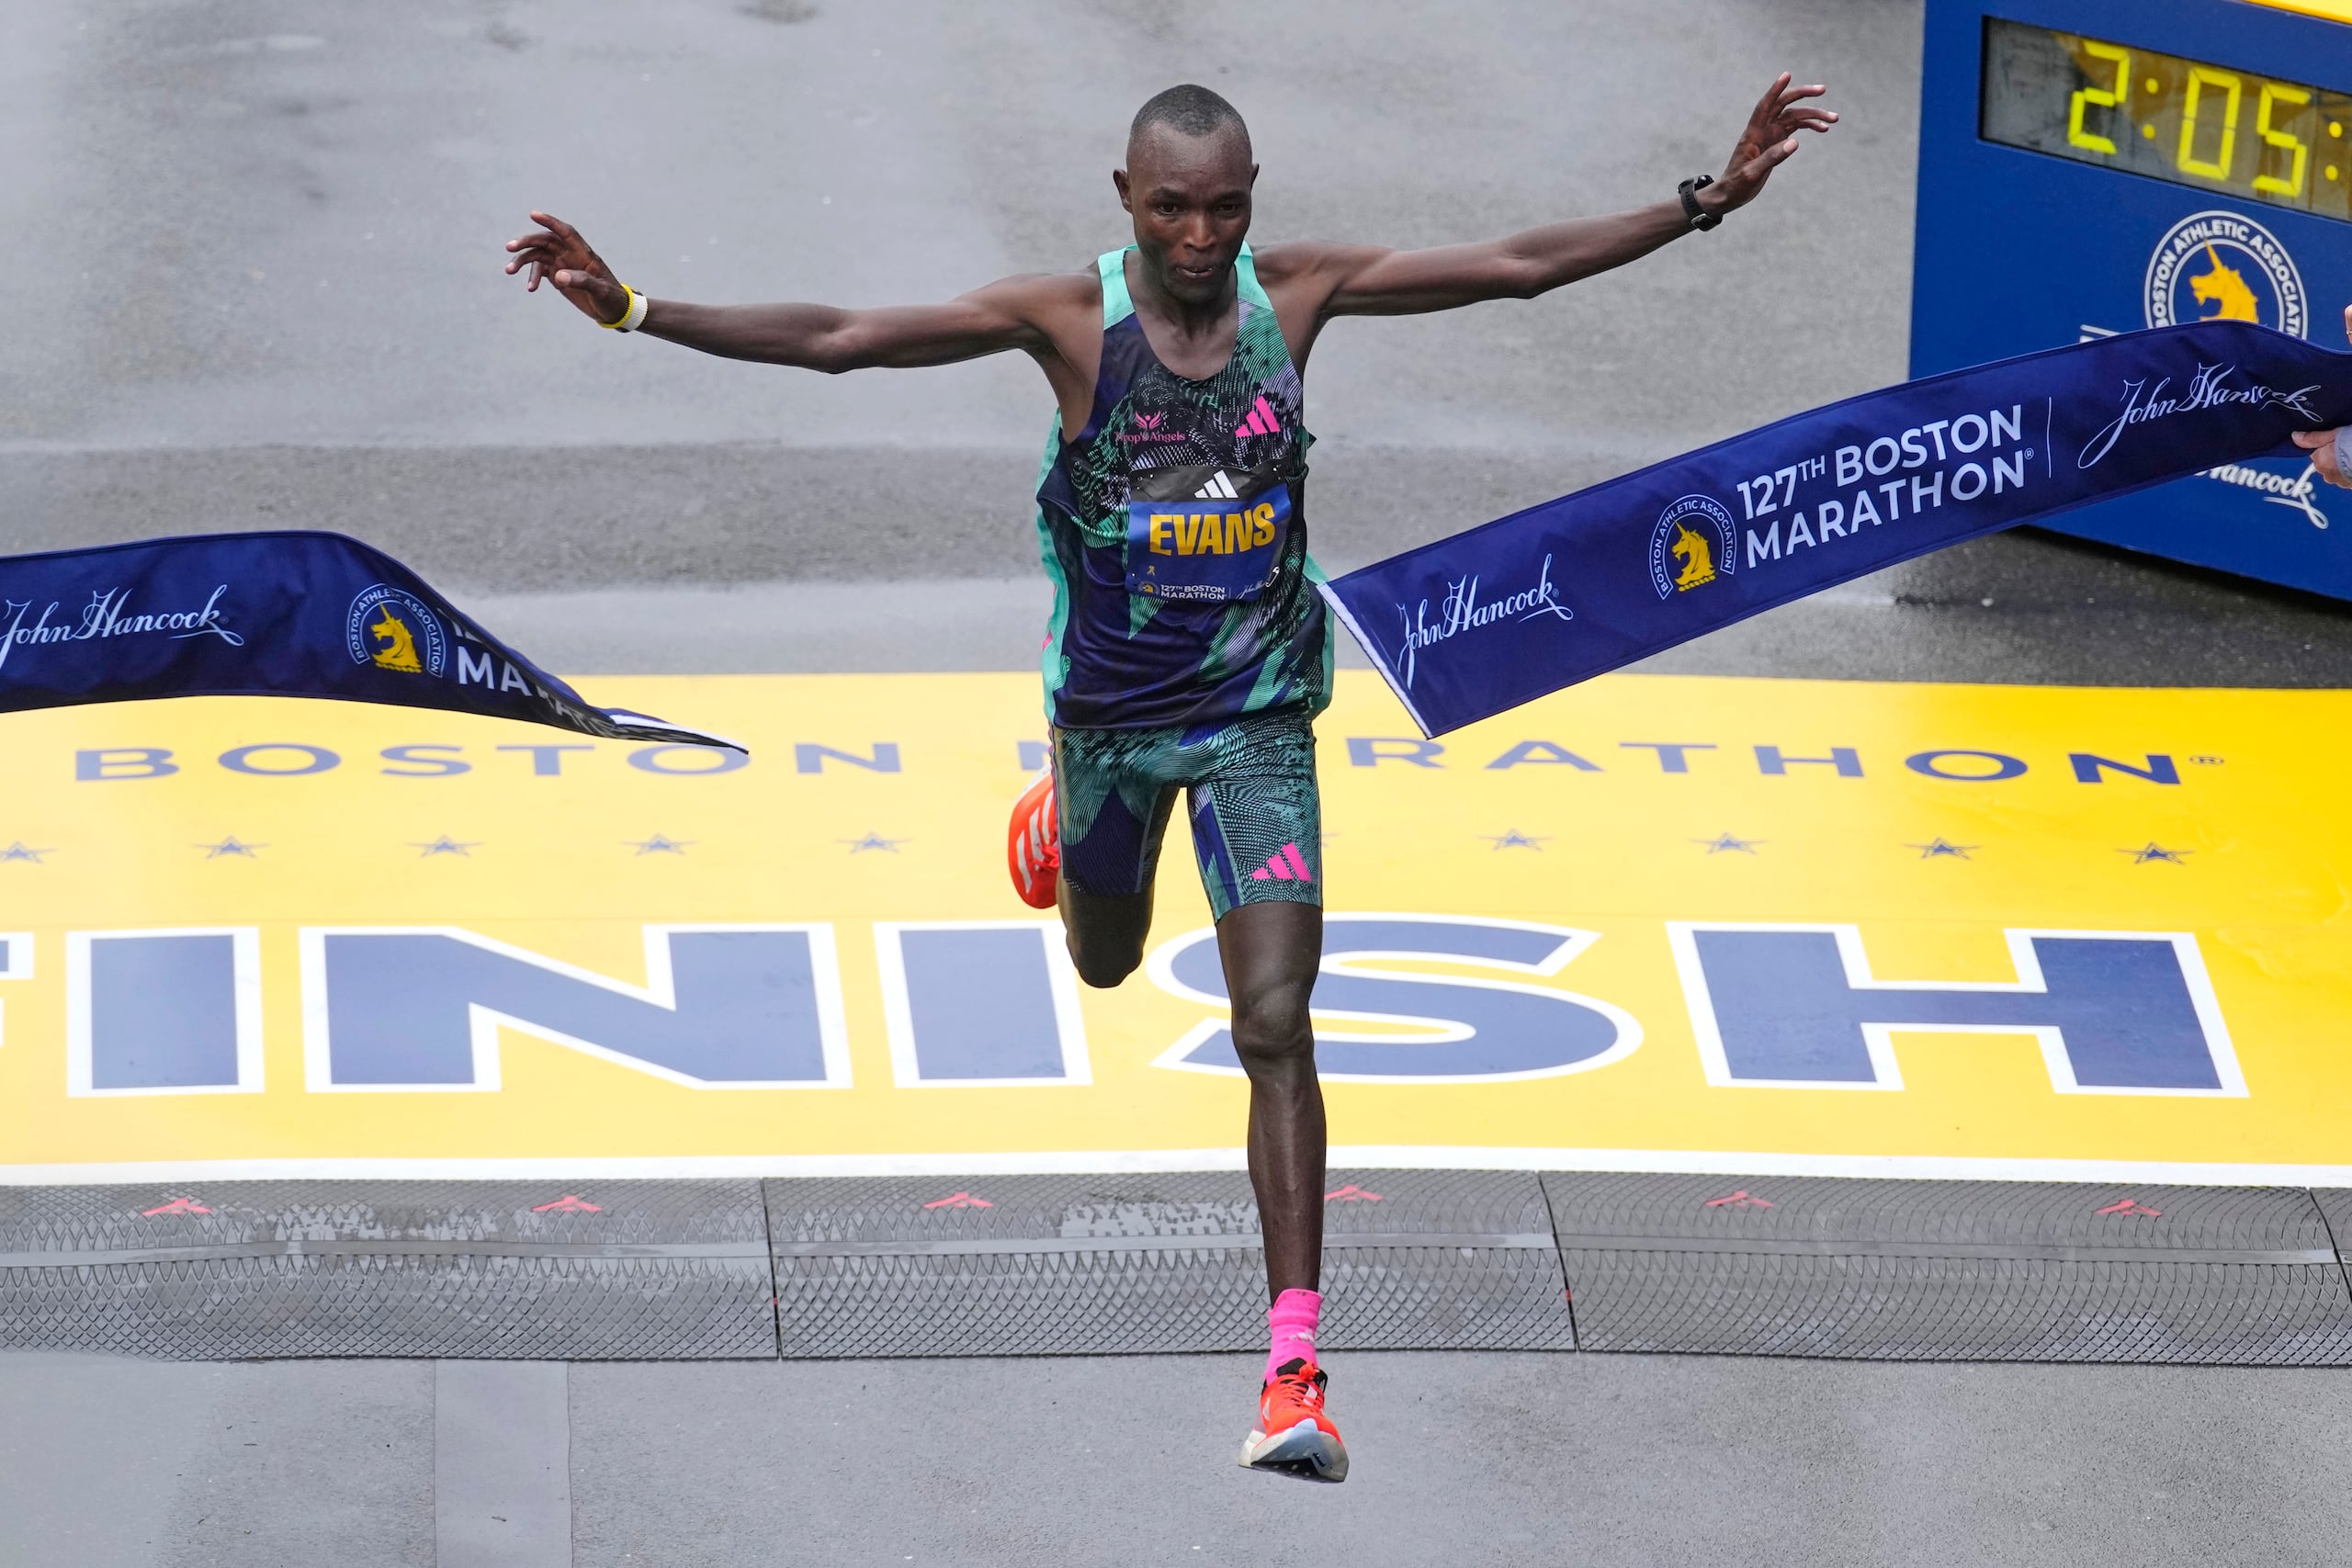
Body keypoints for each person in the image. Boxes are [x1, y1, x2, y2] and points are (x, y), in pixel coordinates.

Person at [503, 74, 1837, 1482]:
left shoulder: (1299, 299)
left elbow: (1510, 271)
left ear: (1252, 200)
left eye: (1226, 207)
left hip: (1260, 721)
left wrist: (1706, 201)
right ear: (1124, 200)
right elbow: (843, 340)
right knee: (1103, 960)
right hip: (1114, 729)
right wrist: (637, 308)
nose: (1201, 236)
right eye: (1172, 208)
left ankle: (1293, 1368)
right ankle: (1058, 831)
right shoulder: (1069, 323)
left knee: (1274, 1023)